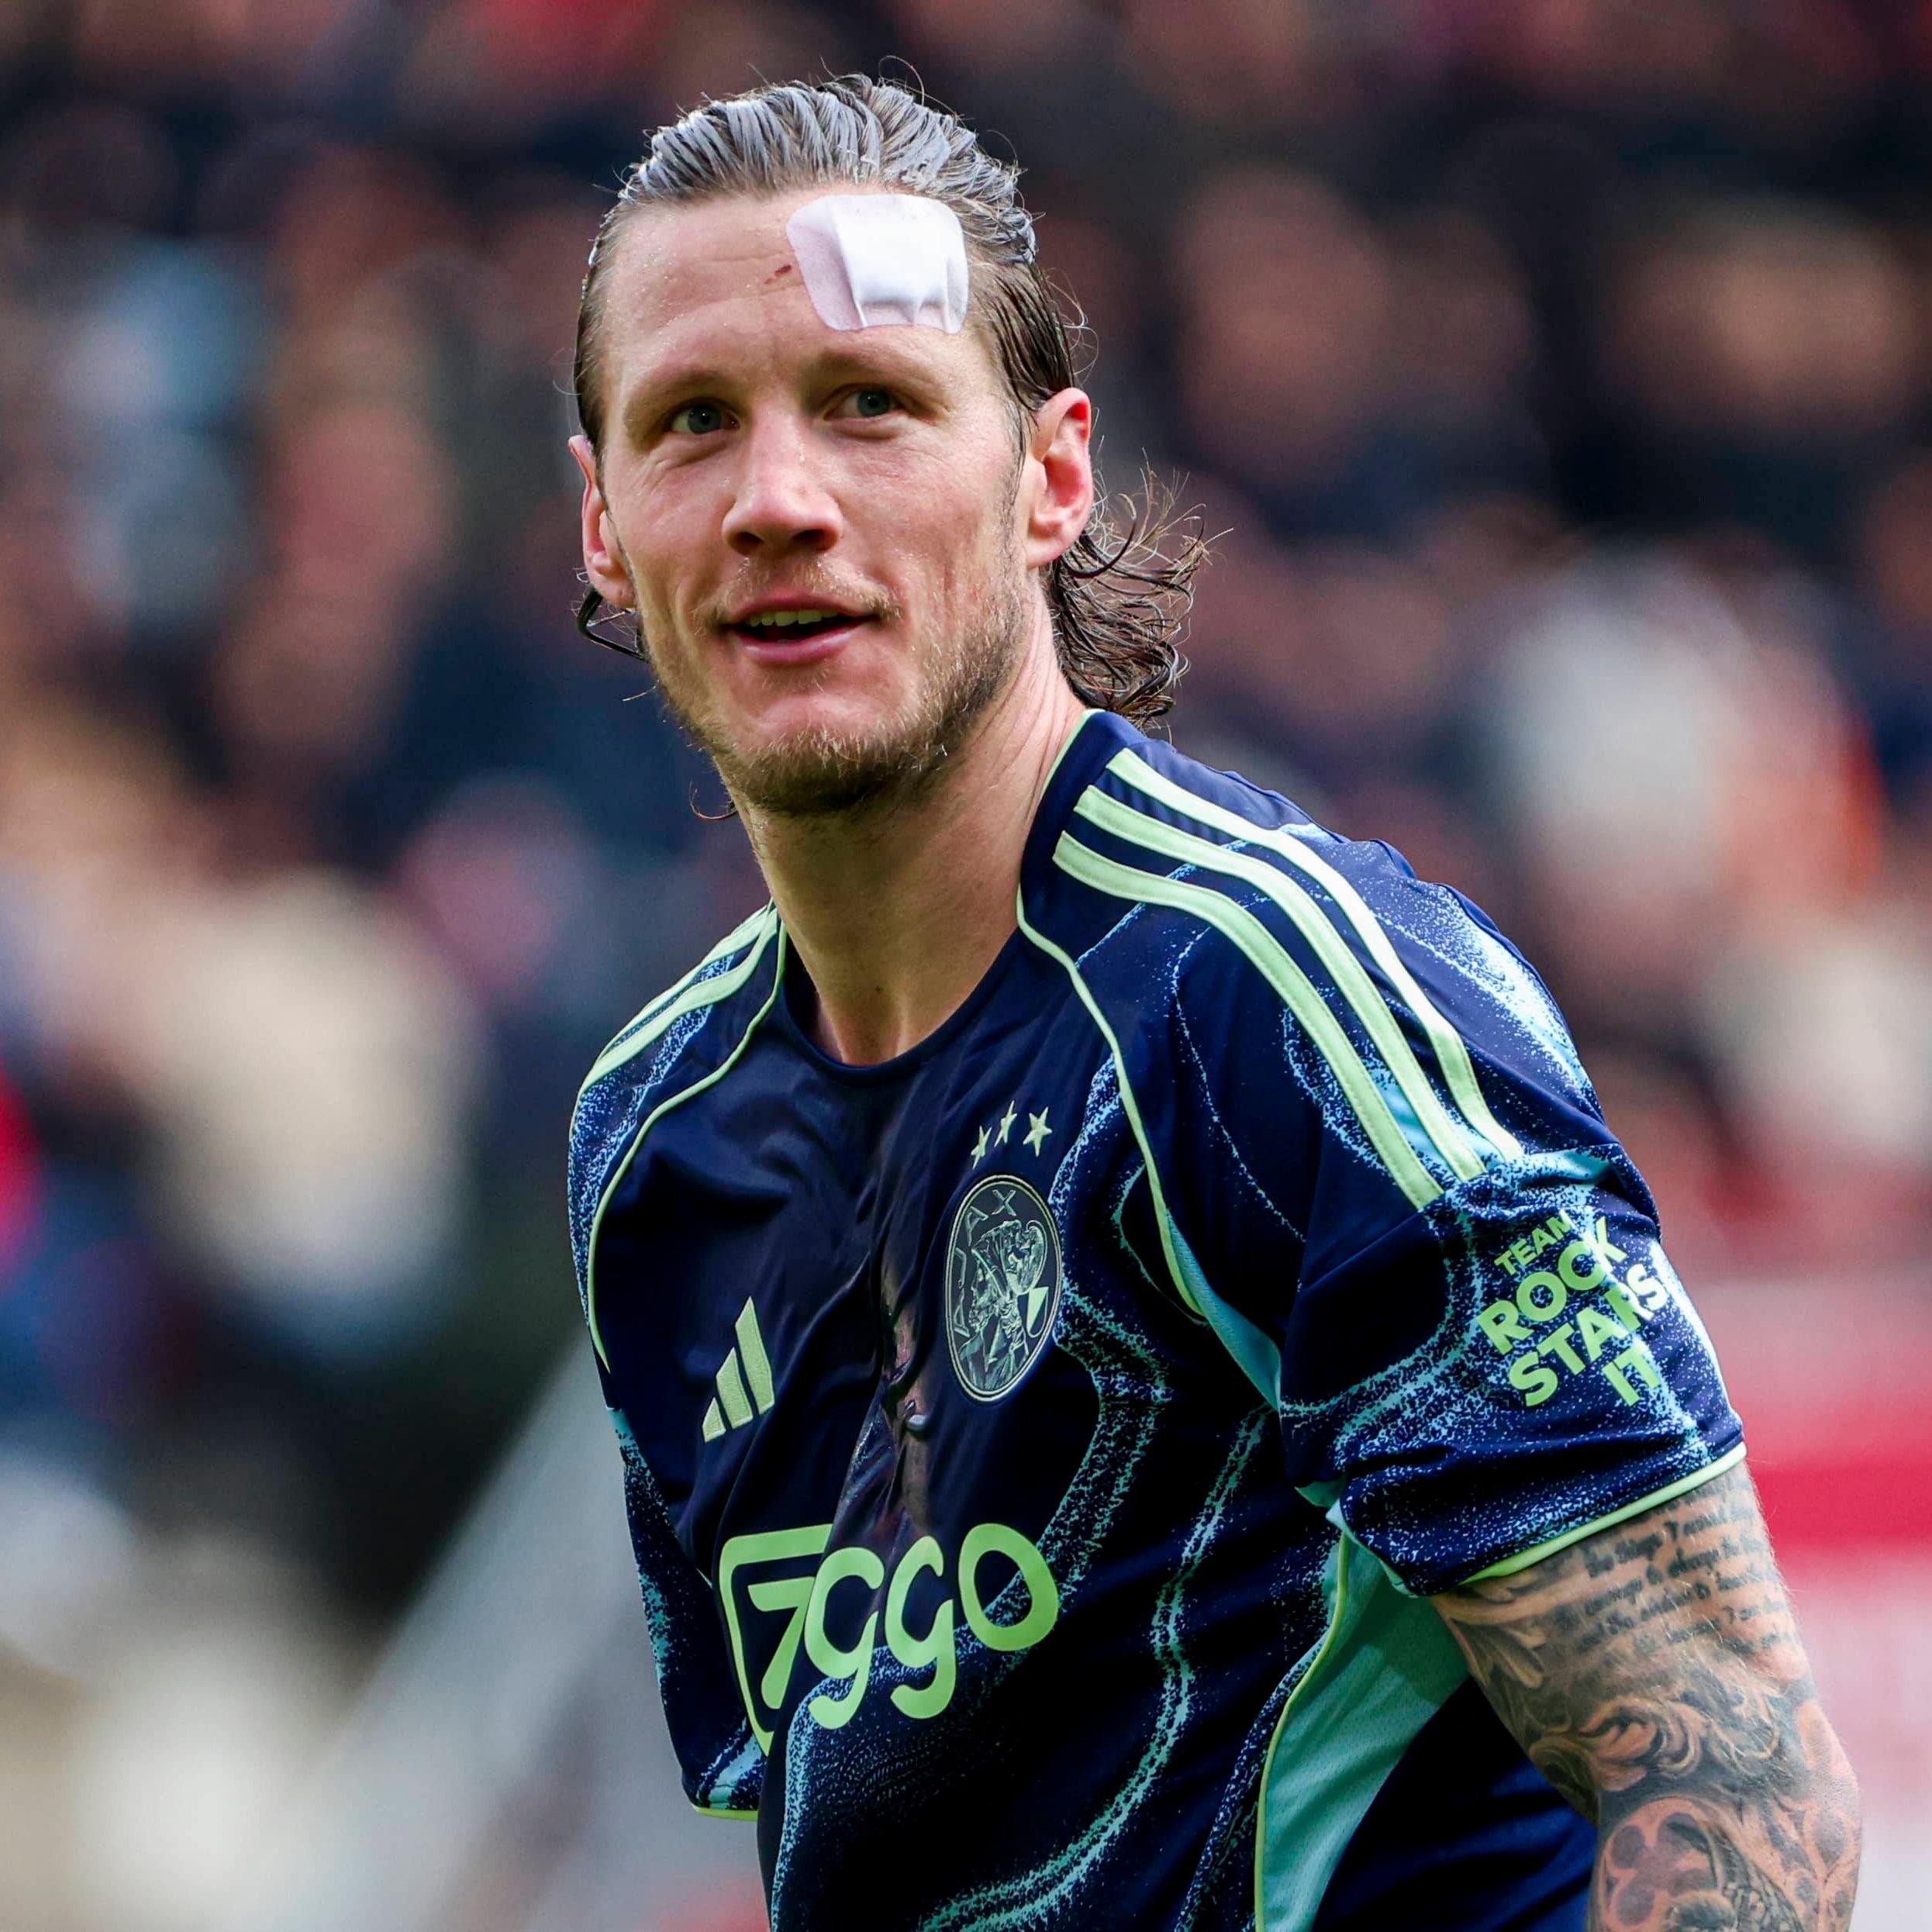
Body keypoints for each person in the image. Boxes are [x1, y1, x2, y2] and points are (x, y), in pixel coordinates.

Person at [564, 76, 1860, 1931]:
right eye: (693, 421)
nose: (779, 500)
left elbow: (1736, 1783)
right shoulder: (650, 1139)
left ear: (1050, 478)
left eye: (869, 405)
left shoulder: (1271, 1001)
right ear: (605, 525)